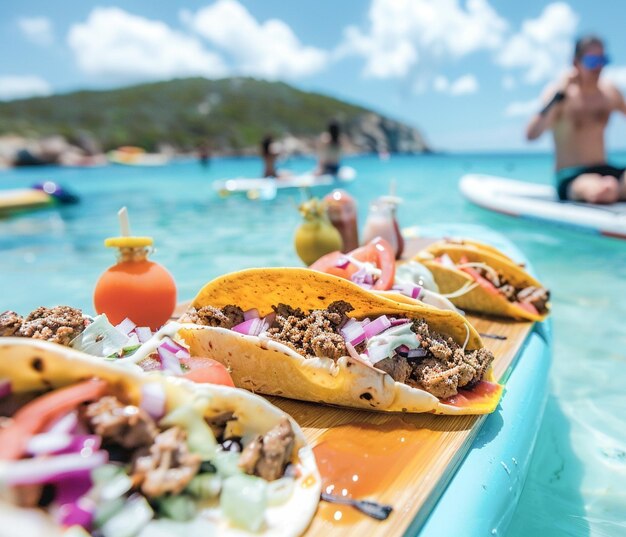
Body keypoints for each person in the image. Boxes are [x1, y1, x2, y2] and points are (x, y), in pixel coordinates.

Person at [526, 35, 626, 204]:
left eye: (603, 60)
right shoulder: (559, 94)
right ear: (575, 63)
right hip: (572, 175)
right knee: (604, 190)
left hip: (606, 169)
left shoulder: (610, 93)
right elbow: (531, 134)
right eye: (593, 61)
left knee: (608, 186)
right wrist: (558, 95)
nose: (599, 67)